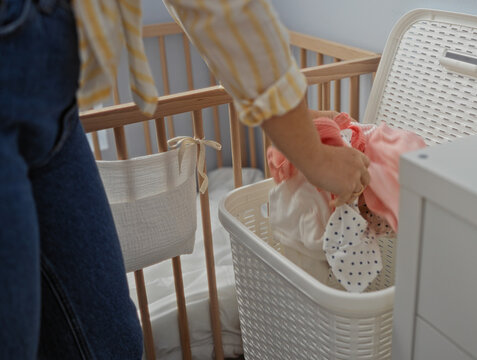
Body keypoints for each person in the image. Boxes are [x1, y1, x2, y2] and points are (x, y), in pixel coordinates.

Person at [0, 0, 370, 358]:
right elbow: (224, 12)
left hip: (54, 102)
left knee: (113, 339)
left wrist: (305, 136)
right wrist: (312, 153)